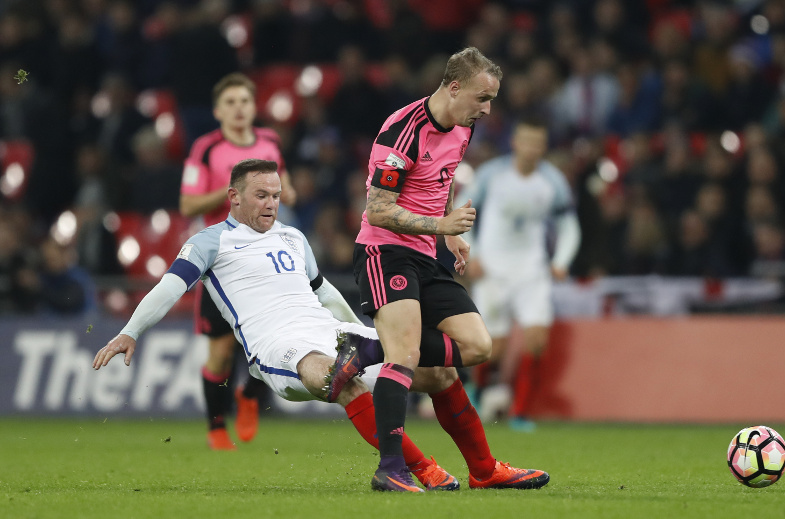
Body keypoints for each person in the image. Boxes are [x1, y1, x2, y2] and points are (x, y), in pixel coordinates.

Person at [92, 159, 549, 493]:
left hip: (330, 330)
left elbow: (324, 292)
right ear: (234, 197)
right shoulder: (209, 243)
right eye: (260, 195)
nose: (271, 203)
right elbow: (169, 288)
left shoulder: (293, 237)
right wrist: (131, 331)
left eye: (276, 195)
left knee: (440, 372)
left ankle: (485, 470)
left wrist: (364, 334)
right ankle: (421, 468)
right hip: (277, 346)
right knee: (340, 378)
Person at [330, 47, 549, 491]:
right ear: (454, 87)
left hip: (426, 254)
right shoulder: (401, 132)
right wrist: (441, 225)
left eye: (492, 100)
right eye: (482, 98)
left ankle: (370, 351)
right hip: (384, 253)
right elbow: (377, 210)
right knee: (406, 356)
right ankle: (391, 471)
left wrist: (448, 230)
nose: (487, 110)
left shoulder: (463, 126)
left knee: (476, 347)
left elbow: (441, 178)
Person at [179, 72, 297, 450]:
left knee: (277, 341)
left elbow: (286, 188)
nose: (238, 109)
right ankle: (216, 427)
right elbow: (187, 204)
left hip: (265, 256)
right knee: (222, 350)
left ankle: (250, 396)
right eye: (230, 102)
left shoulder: (270, 142)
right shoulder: (206, 149)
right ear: (217, 111)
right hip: (222, 259)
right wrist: (237, 191)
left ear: (254, 106)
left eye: (244, 101)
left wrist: (286, 192)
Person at [460, 117, 582, 431]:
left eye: (538, 143)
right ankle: (477, 390)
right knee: (492, 348)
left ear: (544, 146)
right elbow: (461, 210)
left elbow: (569, 225)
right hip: (493, 270)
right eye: (526, 141)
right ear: (515, 142)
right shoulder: (491, 175)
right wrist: (471, 252)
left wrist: (561, 260)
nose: (531, 149)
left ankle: (520, 412)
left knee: (536, 341)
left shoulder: (552, 181)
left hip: (532, 271)